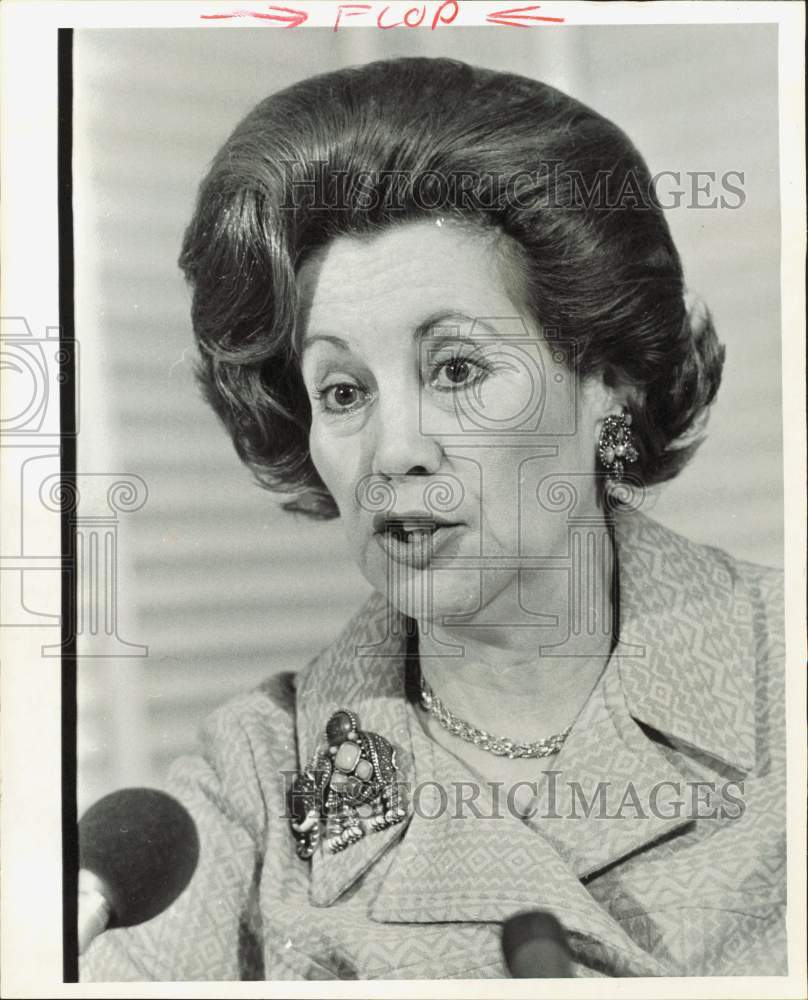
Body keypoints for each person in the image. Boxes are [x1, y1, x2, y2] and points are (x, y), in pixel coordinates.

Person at [81, 57, 785, 980]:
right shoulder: (255, 780)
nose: (393, 450)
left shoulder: (787, 673)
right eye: (342, 390)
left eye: (456, 369)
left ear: (607, 385)